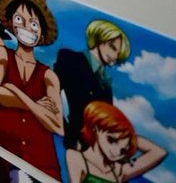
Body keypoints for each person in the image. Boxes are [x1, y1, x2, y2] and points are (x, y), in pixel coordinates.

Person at [0, 0, 64, 181]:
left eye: (34, 23)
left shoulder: (48, 75)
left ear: (42, 32)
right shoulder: (3, 55)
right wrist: (38, 107)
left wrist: (19, 94)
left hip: (41, 165)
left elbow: (57, 125)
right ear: (11, 22)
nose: (27, 27)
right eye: (20, 19)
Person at [56, 19, 131, 150]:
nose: (114, 56)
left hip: (90, 150)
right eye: (112, 47)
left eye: (118, 54)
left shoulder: (106, 84)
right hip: (64, 141)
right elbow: (49, 94)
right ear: (99, 39)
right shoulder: (70, 59)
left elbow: (104, 122)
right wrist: (69, 136)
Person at [66, 101, 167, 182]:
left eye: (123, 150)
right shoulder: (76, 157)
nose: (116, 151)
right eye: (112, 140)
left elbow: (159, 152)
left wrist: (130, 137)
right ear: (96, 129)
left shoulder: (120, 171)